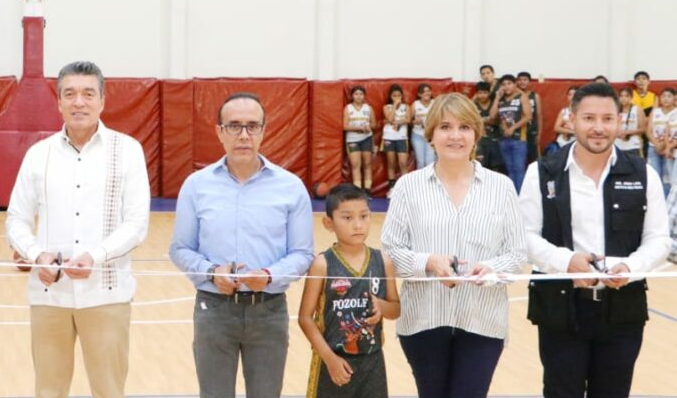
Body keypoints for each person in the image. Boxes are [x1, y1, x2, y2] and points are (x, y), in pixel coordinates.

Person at [6, 61, 150, 398]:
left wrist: (94, 256)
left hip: (107, 294)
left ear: (102, 100)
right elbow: (15, 219)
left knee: (109, 391)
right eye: (69, 94)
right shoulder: (38, 154)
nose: (78, 102)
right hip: (49, 295)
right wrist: (35, 254)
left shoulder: (127, 151)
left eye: (88, 94)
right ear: (59, 102)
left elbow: (137, 223)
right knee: (49, 390)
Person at [518, 82, 671, 398]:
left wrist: (630, 266)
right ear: (572, 119)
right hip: (560, 310)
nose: (598, 128)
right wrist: (567, 262)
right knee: (562, 392)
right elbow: (525, 237)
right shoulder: (541, 172)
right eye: (589, 118)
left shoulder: (643, 174)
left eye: (607, 119)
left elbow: (659, 240)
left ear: (619, 121)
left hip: (623, 312)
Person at [169, 92, 314, 398]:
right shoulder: (197, 185)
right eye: (234, 126)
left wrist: (270, 275)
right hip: (213, 310)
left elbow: (302, 253)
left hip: (269, 311)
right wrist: (211, 272)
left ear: (264, 130)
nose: (244, 135)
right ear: (220, 131)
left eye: (252, 126)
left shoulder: (290, 187)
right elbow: (180, 249)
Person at [381, 93, 525, 398]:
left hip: (482, 321)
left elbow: (516, 254)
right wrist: (428, 262)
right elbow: (391, 250)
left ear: (476, 134)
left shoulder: (502, 187)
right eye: (445, 127)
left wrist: (490, 268)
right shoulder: (408, 187)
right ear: (430, 134)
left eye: (464, 127)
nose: (455, 135)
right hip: (423, 320)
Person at [298, 183, 399, 398]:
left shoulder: (384, 261)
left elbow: (395, 309)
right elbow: (305, 318)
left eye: (364, 216)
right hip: (333, 360)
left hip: (372, 361)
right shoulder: (322, 264)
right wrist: (329, 358)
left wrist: (382, 307)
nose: (357, 225)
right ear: (328, 223)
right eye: (347, 218)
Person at [490, 74, 532, 191]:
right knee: (509, 169)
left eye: (509, 83)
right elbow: (492, 115)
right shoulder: (501, 99)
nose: (506, 86)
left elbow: (528, 116)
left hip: (519, 139)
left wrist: (513, 128)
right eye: (503, 84)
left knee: (519, 169)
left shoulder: (521, 97)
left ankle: (521, 198)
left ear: (515, 84)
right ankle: (512, 197)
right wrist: (497, 98)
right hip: (503, 139)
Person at [342, 87, 375, 193]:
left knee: (367, 163)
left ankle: (367, 190)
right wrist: (359, 128)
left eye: (361, 94)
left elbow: (374, 124)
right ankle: (357, 190)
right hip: (353, 139)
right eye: (356, 94)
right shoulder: (348, 108)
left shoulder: (368, 108)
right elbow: (345, 126)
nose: (359, 96)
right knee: (356, 164)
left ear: (364, 96)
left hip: (367, 138)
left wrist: (369, 127)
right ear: (352, 96)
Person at [646, 88, 675, 196]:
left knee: (668, 179)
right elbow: (648, 131)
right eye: (663, 96)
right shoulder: (655, 112)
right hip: (654, 148)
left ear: (674, 98)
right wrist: (657, 144)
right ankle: (656, 201)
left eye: (669, 96)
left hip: (670, 149)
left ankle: (667, 204)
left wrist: (663, 146)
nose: (666, 99)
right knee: (655, 176)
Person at [381, 85, 410, 190]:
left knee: (403, 163)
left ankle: (406, 188)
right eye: (394, 95)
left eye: (399, 95)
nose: (397, 97)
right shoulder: (386, 107)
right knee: (391, 163)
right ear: (390, 96)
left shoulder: (406, 106)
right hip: (389, 137)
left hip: (402, 137)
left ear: (402, 95)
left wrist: (397, 122)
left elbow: (408, 119)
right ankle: (392, 189)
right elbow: (389, 118)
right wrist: (394, 105)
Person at [472, 82, 503, 173]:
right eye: (480, 93)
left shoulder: (495, 103)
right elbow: (471, 121)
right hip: (479, 141)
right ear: (476, 94)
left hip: (495, 139)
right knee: (480, 167)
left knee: (496, 167)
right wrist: (486, 119)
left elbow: (494, 119)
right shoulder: (473, 105)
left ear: (489, 93)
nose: (482, 96)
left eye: (485, 93)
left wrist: (480, 120)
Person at [545, 86, 578, 157]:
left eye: (574, 94)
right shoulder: (564, 111)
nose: (572, 97)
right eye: (570, 94)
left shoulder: (582, 112)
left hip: (577, 143)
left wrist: (566, 127)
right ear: (567, 96)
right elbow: (556, 128)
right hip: (562, 142)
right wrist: (573, 131)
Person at [517, 72, 542, 163]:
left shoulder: (535, 96)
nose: (522, 82)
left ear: (529, 82)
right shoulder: (514, 96)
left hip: (532, 131)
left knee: (534, 159)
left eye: (525, 80)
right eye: (519, 80)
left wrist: (539, 134)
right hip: (518, 133)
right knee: (519, 160)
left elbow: (539, 116)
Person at [409, 83, 436, 169]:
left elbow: (441, 118)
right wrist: (415, 122)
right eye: (423, 92)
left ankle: (431, 181)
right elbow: (409, 121)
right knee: (420, 162)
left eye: (428, 91)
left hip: (431, 136)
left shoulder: (435, 103)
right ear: (419, 94)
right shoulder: (415, 104)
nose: (426, 93)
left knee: (430, 161)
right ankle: (420, 182)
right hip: (417, 135)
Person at [614, 86, 645, 157]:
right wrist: (618, 134)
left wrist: (628, 132)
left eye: (626, 96)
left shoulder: (637, 109)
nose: (623, 98)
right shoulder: (615, 110)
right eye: (621, 96)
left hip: (633, 145)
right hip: (617, 145)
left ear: (631, 97)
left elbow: (643, 128)